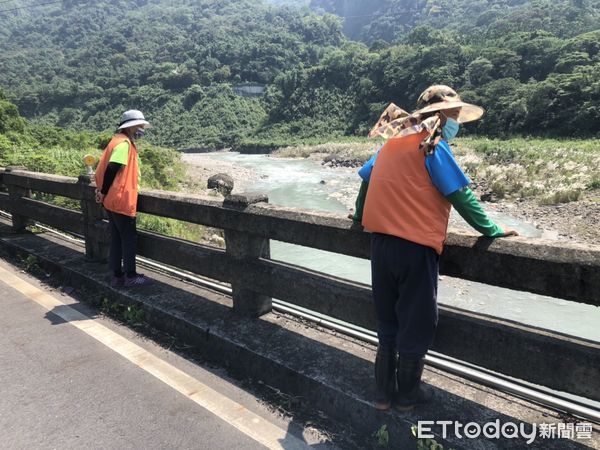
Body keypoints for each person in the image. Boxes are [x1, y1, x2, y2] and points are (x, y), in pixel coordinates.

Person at [361, 85, 519, 411]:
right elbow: (460, 195)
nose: (457, 119)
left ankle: (381, 395)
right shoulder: (433, 145)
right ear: (442, 115)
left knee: (388, 320)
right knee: (417, 320)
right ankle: (407, 395)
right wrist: (491, 229)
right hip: (414, 247)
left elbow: (366, 179)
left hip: (380, 243)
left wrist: (359, 214)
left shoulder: (393, 140)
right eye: (454, 114)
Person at [94, 109, 152, 287]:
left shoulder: (116, 140)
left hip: (112, 199)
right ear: (132, 126)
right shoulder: (124, 144)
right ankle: (131, 275)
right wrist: (103, 191)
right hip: (121, 198)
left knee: (117, 238)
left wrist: (103, 192)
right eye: (140, 125)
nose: (142, 128)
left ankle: (117, 275)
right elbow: (113, 168)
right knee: (128, 238)